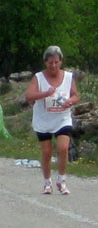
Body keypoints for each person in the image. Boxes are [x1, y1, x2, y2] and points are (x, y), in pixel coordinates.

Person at [25, 45, 79, 195]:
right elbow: (28, 96)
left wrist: (71, 101)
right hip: (43, 120)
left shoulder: (68, 77)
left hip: (62, 118)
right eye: (50, 63)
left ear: (61, 61)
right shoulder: (38, 77)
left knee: (63, 148)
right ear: (45, 63)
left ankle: (61, 181)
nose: (53, 66)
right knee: (47, 152)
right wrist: (44, 93)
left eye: (56, 62)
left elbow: (75, 95)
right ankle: (47, 182)